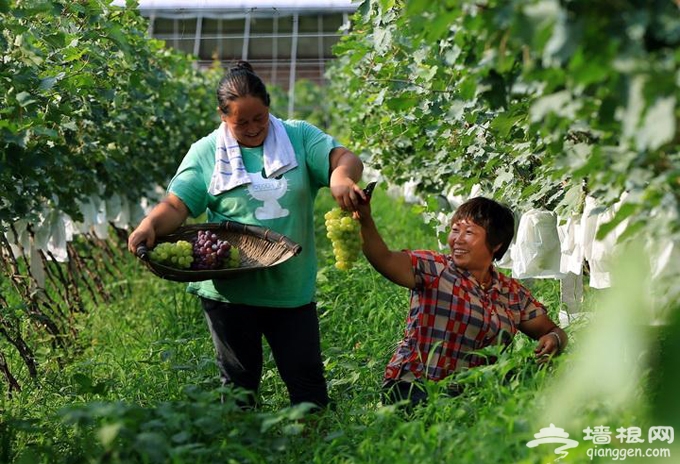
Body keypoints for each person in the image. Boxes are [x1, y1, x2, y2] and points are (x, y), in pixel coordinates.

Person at [128, 61, 366, 409]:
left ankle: (313, 447)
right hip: (229, 292)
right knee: (239, 387)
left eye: (260, 119)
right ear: (224, 117)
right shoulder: (207, 151)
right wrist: (149, 224)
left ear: (269, 108)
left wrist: (340, 177)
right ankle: (244, 451)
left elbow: (343, 158)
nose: (254, 129)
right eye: (242, 123)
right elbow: (178, 206)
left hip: (290, 288)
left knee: (307, 381)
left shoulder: (298, 136)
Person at [355, 196, 567, 406]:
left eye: (469, 232)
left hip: (471, 394)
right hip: (413, 387)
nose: (458, 239)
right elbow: (383, 258)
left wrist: (554, 340)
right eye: (455, 230)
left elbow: (552, 331)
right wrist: (365, 220)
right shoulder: (434, 268)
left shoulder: (511, 293)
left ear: (496, 244)